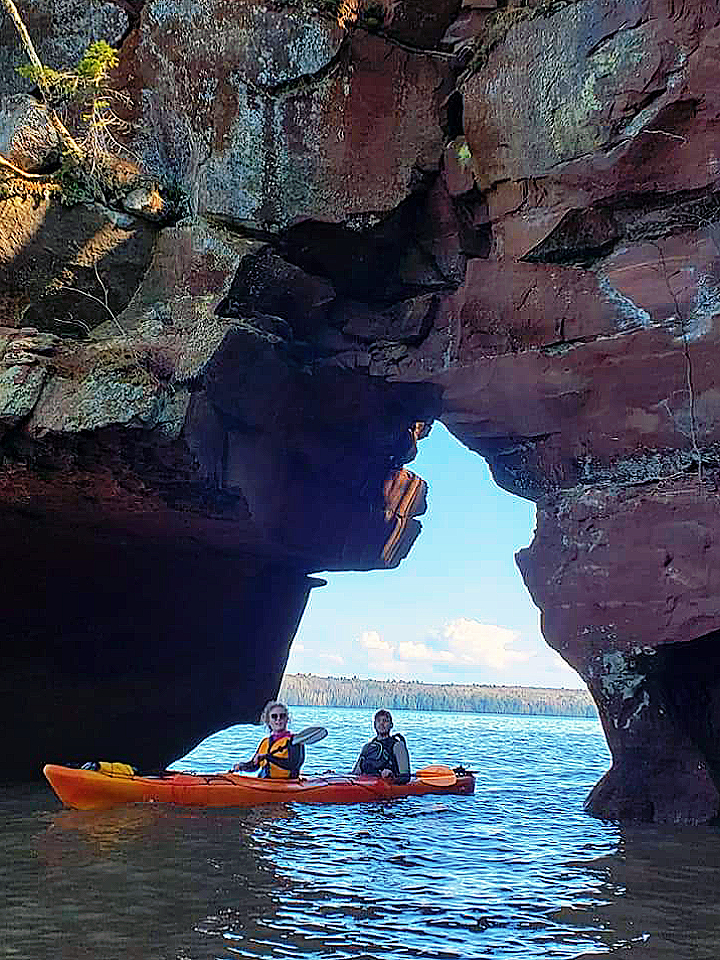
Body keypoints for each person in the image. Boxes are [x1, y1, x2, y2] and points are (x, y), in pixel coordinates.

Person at [231, 700, 305, 778]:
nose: (278, 719)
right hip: (266, 783)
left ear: (287, 719)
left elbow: (293, 764)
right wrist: (242, 766)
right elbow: (254, 765)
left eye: (282, 716)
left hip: (287, 784)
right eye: (274, 716)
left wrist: (267, 757)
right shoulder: (265, 742)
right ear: (268, 721)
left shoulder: (295, 740)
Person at [351, 709, 410, 783]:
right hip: (365, 783)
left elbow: (406, 777)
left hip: (387, 785)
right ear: (374, 725)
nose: (381, 723)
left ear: (391, 725)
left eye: (385, 721)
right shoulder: (367, 747)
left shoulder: (397, 746)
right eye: (378, 721)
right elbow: (354, 774)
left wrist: (391, 776)